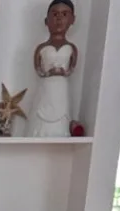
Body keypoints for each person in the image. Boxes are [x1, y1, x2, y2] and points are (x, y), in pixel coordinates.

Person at [29, 0, 77, 138]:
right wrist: (48, 73)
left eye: (64, 14)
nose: (59, 19)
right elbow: (38, 69)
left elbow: (72, 67)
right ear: (46, 20)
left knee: (62, 109)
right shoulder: (41, 48)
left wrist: (64, 72)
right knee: (42, 108)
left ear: (72, 19)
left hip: (61, 86)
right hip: (46, 85)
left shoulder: (71, 48)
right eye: (55, 14)